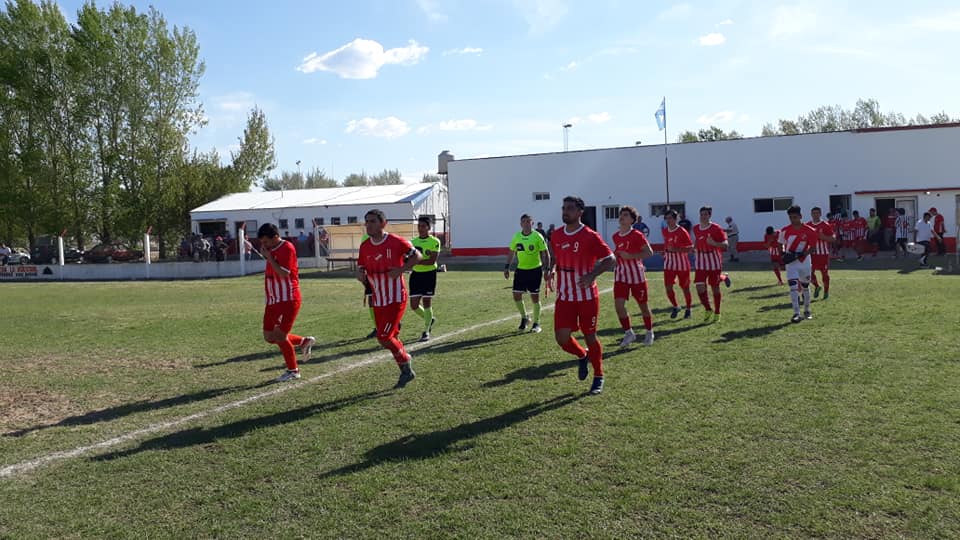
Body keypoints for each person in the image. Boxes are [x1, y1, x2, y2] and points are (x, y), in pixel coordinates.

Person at [544, 196, 615, 395]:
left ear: (579, 212)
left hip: (586, 298)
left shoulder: (590, 236)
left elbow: (611, 259)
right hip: (565, 297)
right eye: (564, 208)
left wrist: (592, 275)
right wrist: (551, 270)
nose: (565, 211)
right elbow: (556, 256)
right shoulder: (556, 235)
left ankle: (599, 375)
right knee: (562, 338)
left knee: (590, 335)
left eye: (570, 208)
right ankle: (582, 355)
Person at [357, 209, 423, 388]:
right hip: (378, 299)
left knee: (384, 337)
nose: (368, 225)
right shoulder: (365, 246)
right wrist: (360, 274)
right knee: (388, 336)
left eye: (372, 221)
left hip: (395, 297)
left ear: (383, 223)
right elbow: (361, 266)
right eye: (367, 221)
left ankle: (406, 366)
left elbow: (417, 255)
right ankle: (402, 356)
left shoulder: (396, 241)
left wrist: (401, 270)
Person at [257, 223, 316, 382]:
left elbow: (284, 273)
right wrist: (268, 255)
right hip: (273, 300)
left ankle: (293, 370)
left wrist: (269, 257)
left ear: (275, 237)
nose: (264, 245)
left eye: (266, 242)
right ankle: (303, 342)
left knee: (280, 336)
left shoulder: (287, 248)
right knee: (269, 336)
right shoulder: (271, 249)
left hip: (287, 299)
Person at [611, 206, 655, 347]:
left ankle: (649, 332)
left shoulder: (637, 235)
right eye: (621, 215)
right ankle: (629, 333)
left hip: (636, 275)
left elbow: (649, 253)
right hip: (621, 275)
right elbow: (618, 252)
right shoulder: (615, 236)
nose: (621, 217)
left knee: (643, 306)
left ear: (631, 220)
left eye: (625, 215)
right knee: (619, 306)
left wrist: (631, 256)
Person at [504, 214, 550, 333]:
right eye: (523, 221)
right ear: (520, 224)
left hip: (535, 270)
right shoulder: (516, 236)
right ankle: (525, 317)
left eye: (528, 221)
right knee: (516, 295)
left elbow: (546, 253)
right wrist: (507, 267)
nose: (526, 223)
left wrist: (547, 269)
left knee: (534, 297)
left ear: (532, 223)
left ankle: (537, 323)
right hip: (521, 270)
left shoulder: (537, 236)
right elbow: (511, 252)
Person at [779, 206, 819, 323]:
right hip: (791, 263)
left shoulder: (810, 231)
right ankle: (796, 313)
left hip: (804, 262)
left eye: (795, 217)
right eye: (790, 217)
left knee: (805, 286)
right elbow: (780, 243)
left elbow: (813, 248)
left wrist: (800, 255)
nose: (792, 219)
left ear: (800, 216)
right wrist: (782, 254)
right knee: (793, 287)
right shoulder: (785, 230)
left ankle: (807, 310)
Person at [692, 206, 731, 323]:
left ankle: (717, 312)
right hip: (700, 260)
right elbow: (697, 240)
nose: (703, 216)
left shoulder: (716, 228)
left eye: (705, 214)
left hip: (713, 259)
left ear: (710, 215)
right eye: (701, 214)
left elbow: (725, 245)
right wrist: (694, 248)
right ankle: (708, 309)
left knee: (714, 287)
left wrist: (714, 243)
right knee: (699, 287)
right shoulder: (696, 228)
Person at [409, 216, 441, 341]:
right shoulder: (412, 242)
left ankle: (426, 331)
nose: (420, 228)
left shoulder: (435, 241)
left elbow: (431, 261)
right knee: (414, 305)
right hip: (416, 275)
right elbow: (407, 258)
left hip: (429, 275)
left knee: (427, 302)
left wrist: (415, 261)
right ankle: (430, 319)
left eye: (423, 226)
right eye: (419, 226)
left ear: (429, 227)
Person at [661, 209, 694, 319]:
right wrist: (665, 252)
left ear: (675, 219)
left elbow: (690, 248)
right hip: (669, 263)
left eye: (670, 218)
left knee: (685, 287)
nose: (668, 220)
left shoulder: (682, 231)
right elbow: (667, 245)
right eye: (667, 218)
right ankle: (675, 306)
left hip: (682, 264)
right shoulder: (665, 231)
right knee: (668, 287)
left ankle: (689, 308)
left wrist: (676, 249)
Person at [806, 207, 835, 300]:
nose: (815, 215)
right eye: (813, 213)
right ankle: (817, 286)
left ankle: (826, 291)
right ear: (811, 214)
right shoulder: (807, 225)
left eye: (817, 213)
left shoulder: (826, 225)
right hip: (811, 254)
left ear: (820, 214)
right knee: (808, 273)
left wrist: (823, 237)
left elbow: (833, 239)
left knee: (824, 274)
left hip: (823, 254)